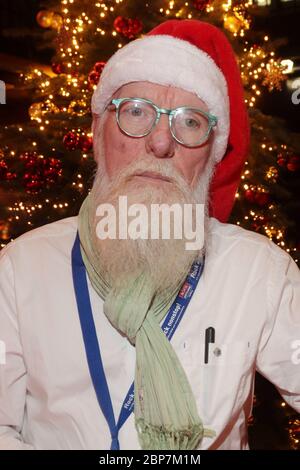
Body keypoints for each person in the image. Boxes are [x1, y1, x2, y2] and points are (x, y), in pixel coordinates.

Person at [0, 19, 299, 451]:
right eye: (136, 111)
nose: (161, 142)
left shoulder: (259, 272)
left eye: (190, 122)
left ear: (211, 156)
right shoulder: (21, 268)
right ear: (98, 133)